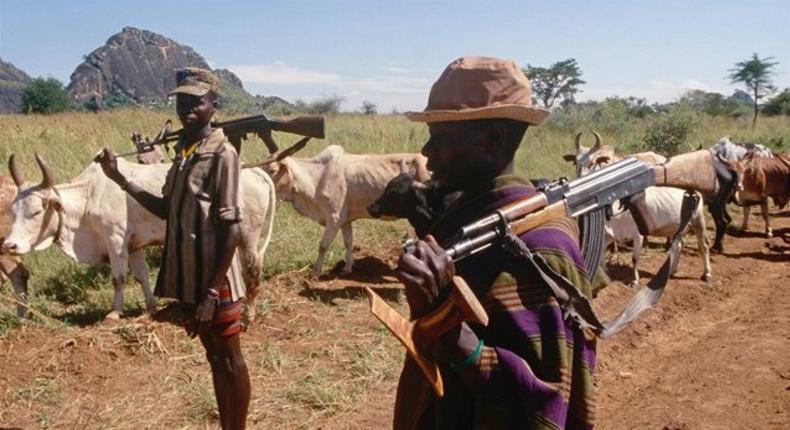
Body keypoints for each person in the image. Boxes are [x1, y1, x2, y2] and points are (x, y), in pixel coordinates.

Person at [393, 57, 600, 429]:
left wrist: (447, 322)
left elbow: (543, 404)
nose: (427, 151)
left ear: (493, 139)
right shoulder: (465, 219)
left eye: (440, 139)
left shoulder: (540, 247)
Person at [96, 68, 250, 429]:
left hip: (217, 279)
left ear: (213, 105)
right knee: (213, 356)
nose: (187, 110)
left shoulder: (222, 153)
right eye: (181, 102)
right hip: (191, 277)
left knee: (231, 360)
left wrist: (212, 292)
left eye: (196, 102)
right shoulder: (184, 151)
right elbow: (167, 209)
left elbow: (232, 228)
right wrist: (120, 178)